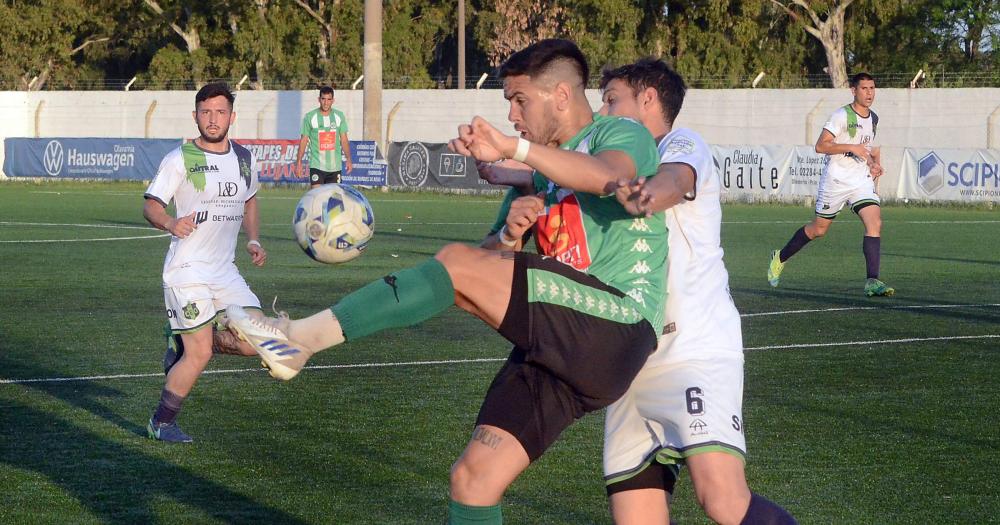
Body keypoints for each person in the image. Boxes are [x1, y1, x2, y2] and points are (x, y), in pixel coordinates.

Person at [226, 39, 666, 524]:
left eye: (520, 101)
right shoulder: (537, 176)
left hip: (619, 320)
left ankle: (303, 339)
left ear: (561, 95)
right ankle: (298, 341)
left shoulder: (618, 132)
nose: (514, 115)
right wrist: (509, 232)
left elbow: (608, 175)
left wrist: (513, 149)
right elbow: (477, 267)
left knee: (456, 263)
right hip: (566, 344)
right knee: (473, 480)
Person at [599, 59, 797, 524]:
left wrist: (644, 193)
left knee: (723, 501)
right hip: (629, 360)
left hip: (695, 348)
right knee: (636, 515)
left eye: (612, 99)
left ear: (648, 98)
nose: (603, 111)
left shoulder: (680, 143)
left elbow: (673, 182)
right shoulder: (613, 163)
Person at [142, 82, 269, 443]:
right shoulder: (181, 157)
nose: (213, 119)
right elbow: (151, 203)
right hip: (186, 270)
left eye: (220, 112)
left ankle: (182, 338)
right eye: (206, 112)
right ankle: (162, 423)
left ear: (232, 116)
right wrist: (170, 222)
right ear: (196, 115)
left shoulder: (244, 159)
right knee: (201, 354)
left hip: (224, 270)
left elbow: (251, 200)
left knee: (256, 339)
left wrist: (254, 239)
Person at [767, 72, 893, 297]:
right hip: (836, 180)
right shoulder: (841, 116)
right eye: (864, 89)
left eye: (872, 88)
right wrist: (850, 147)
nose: (869, 93)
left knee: (875, 223)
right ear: (853, 91)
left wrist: (874, 164)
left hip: (860, 181)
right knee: (819, 229)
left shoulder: (873, 118)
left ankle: (872, 280)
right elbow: (820, 146)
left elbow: (870, 148)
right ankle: (780, 257)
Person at [296, 86, 352, 187]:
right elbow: (303, 140)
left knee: (334, 199)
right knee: (317, 195)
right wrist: (299, 162)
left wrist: (348, 159)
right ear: (319, 99)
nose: (326, 103)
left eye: (329, 99)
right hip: (317, 166)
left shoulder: (339, 116)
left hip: (335, 167)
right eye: (323, 99)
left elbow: (344, 140)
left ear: (333, 100)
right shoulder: (310, 117)